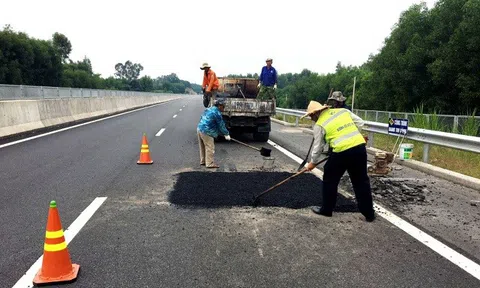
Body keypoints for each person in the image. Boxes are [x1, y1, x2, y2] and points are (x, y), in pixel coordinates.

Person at [301, 100, 375, 222]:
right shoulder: (343, 111)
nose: (311, 118)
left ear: (315, 114)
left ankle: (326, 209)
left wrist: (312, 163)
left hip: (341, 152)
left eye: (310, 116)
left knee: (330, 179)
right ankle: (369, 214)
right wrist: (353, 136)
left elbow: (318, 147)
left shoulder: (319, 124)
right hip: (359, 148)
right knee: (361, 182)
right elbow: (360, 123)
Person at [197, 98, 231, 168]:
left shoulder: (209, 109)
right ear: (219, 106)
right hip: (207, 131)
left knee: (203, 146)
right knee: (210, 147)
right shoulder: (217, 113)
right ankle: (210, 163)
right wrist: (226, 134)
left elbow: (202, 117)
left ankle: (203, 161)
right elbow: (221, 125)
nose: (224, 108)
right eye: (223, 106)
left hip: (200, 128)